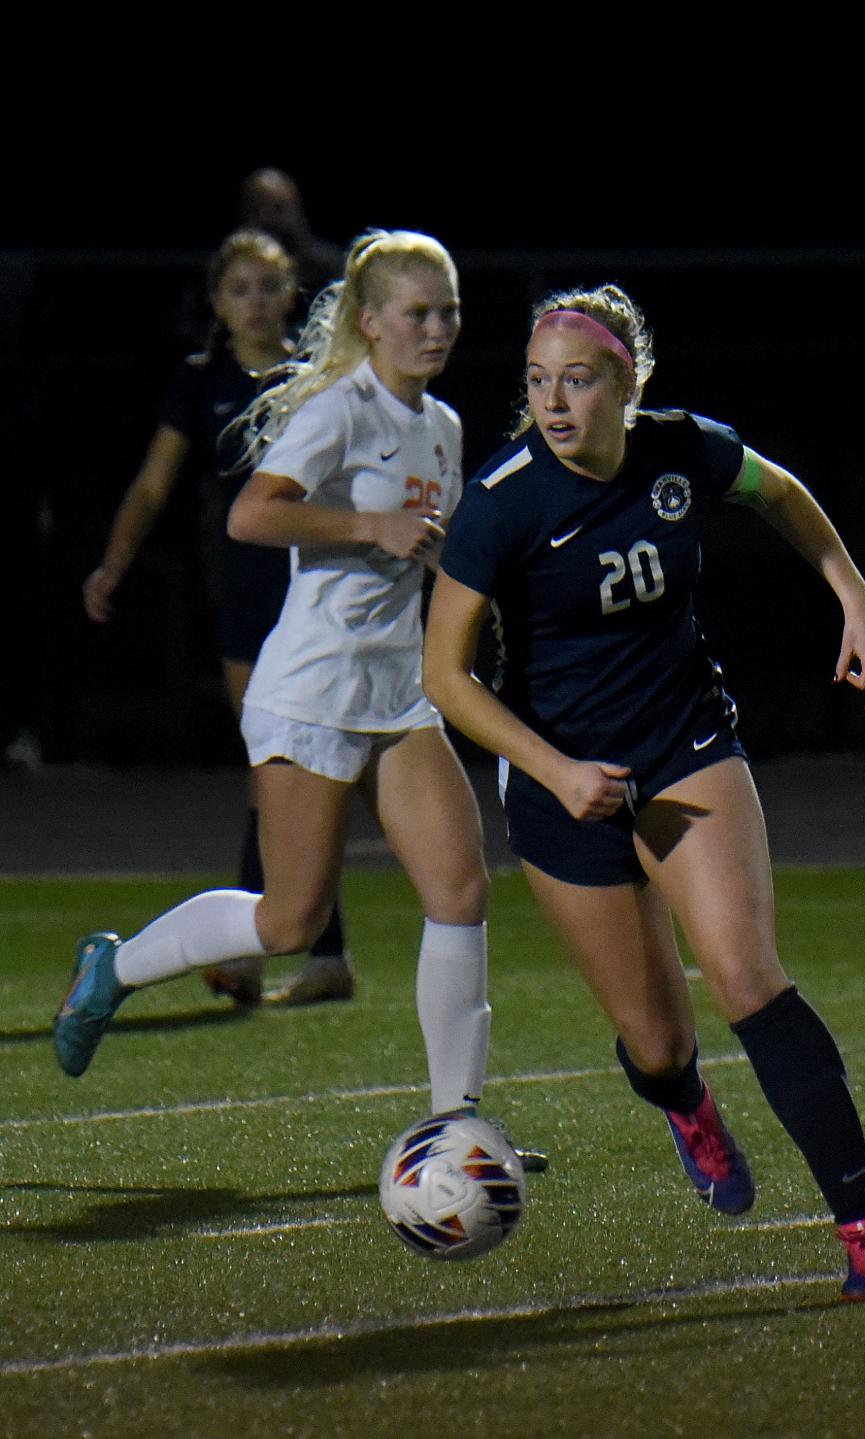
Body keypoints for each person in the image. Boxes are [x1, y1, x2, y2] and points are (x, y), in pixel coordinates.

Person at [422, 284, 865, 1302]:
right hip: (561, 781)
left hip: (684, 744)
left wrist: (856, 595)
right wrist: (555, 770)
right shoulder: (502, 502)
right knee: (656, 1039)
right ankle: (687, 1100)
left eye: (580, 380)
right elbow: (445, 677)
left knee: (746, 977)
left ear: (627, 383)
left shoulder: (684, 449)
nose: (555, 402)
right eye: (538, 382)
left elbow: (780, 493)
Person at [54, 229, 547, 1171]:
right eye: (418, 312)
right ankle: (108, 969)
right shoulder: (338, 411)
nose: (438, 327)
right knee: (289, 921)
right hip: (313, 689)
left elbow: (419, 548)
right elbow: (252, 514)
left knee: (460, 886)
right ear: (371, 323)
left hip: (400, 690)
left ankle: (457, 1125)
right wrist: (367, 522)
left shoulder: (439, 426)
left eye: (449, 310)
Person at [81, 228, 353, 1006]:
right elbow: (152, 483)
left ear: (291, 296)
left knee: (309, 774)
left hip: (326, 590)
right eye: (241, 289)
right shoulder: (201, 381)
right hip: (248, 592)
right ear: (217, 303)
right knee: (279, 773)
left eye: (269, 287)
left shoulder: (320, 377)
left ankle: (275, 950)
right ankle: (307, 949)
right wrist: (114, 563)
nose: (257, 302)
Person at [238, 168, 343, 298]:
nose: (267, 217)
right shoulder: (228, 269)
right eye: (257, 209)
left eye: (278, 208)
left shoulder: (327, 267)